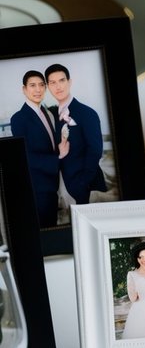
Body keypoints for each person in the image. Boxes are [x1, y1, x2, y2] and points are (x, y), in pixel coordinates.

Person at [9, 69, 69, 228]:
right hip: (37, 187)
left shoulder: (48, 113)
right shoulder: (19, 118)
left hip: (52, 184)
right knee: (44, 231)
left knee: (52, 226)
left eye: (41, 85)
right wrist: (58, 158)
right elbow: (26, 155)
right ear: (24, 89)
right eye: (32, 85)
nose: (38, 89)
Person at [44, 62, 107, 210]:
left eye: (62, 80)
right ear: (48, 87)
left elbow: (95, 150)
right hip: (65, 186)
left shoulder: (87, 113)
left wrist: (82, 182)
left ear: (69, 82)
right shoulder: (52, 116)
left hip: (87, 187)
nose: (58, 86)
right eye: (52, 82)